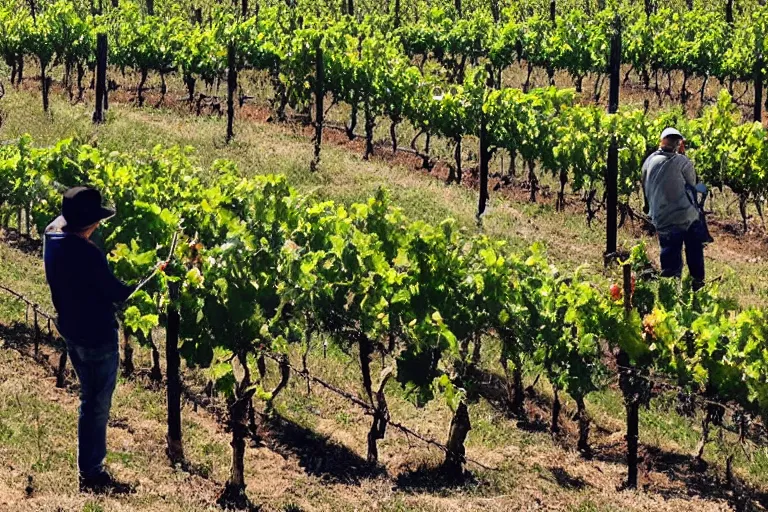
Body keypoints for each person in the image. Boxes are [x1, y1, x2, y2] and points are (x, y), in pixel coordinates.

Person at [43, 186, 135, 494]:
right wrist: (151, 277)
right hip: (96, 335)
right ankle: (92, 472)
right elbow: (118, 293)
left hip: (70, 328)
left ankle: (90, 465)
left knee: (89, 397)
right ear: (90, 224)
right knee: (96, 403)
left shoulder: (52, 234)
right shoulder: (86, 254)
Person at [642, 128, 709, 291]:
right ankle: (697, 284)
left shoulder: (648, 161)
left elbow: (645, 186)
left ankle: (670, 291)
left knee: (670, 256)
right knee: (694, 248)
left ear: (661, 142)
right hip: (685, 216)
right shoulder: (682, 162)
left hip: (662, 217)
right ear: (679, 145)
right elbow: (693, 185)